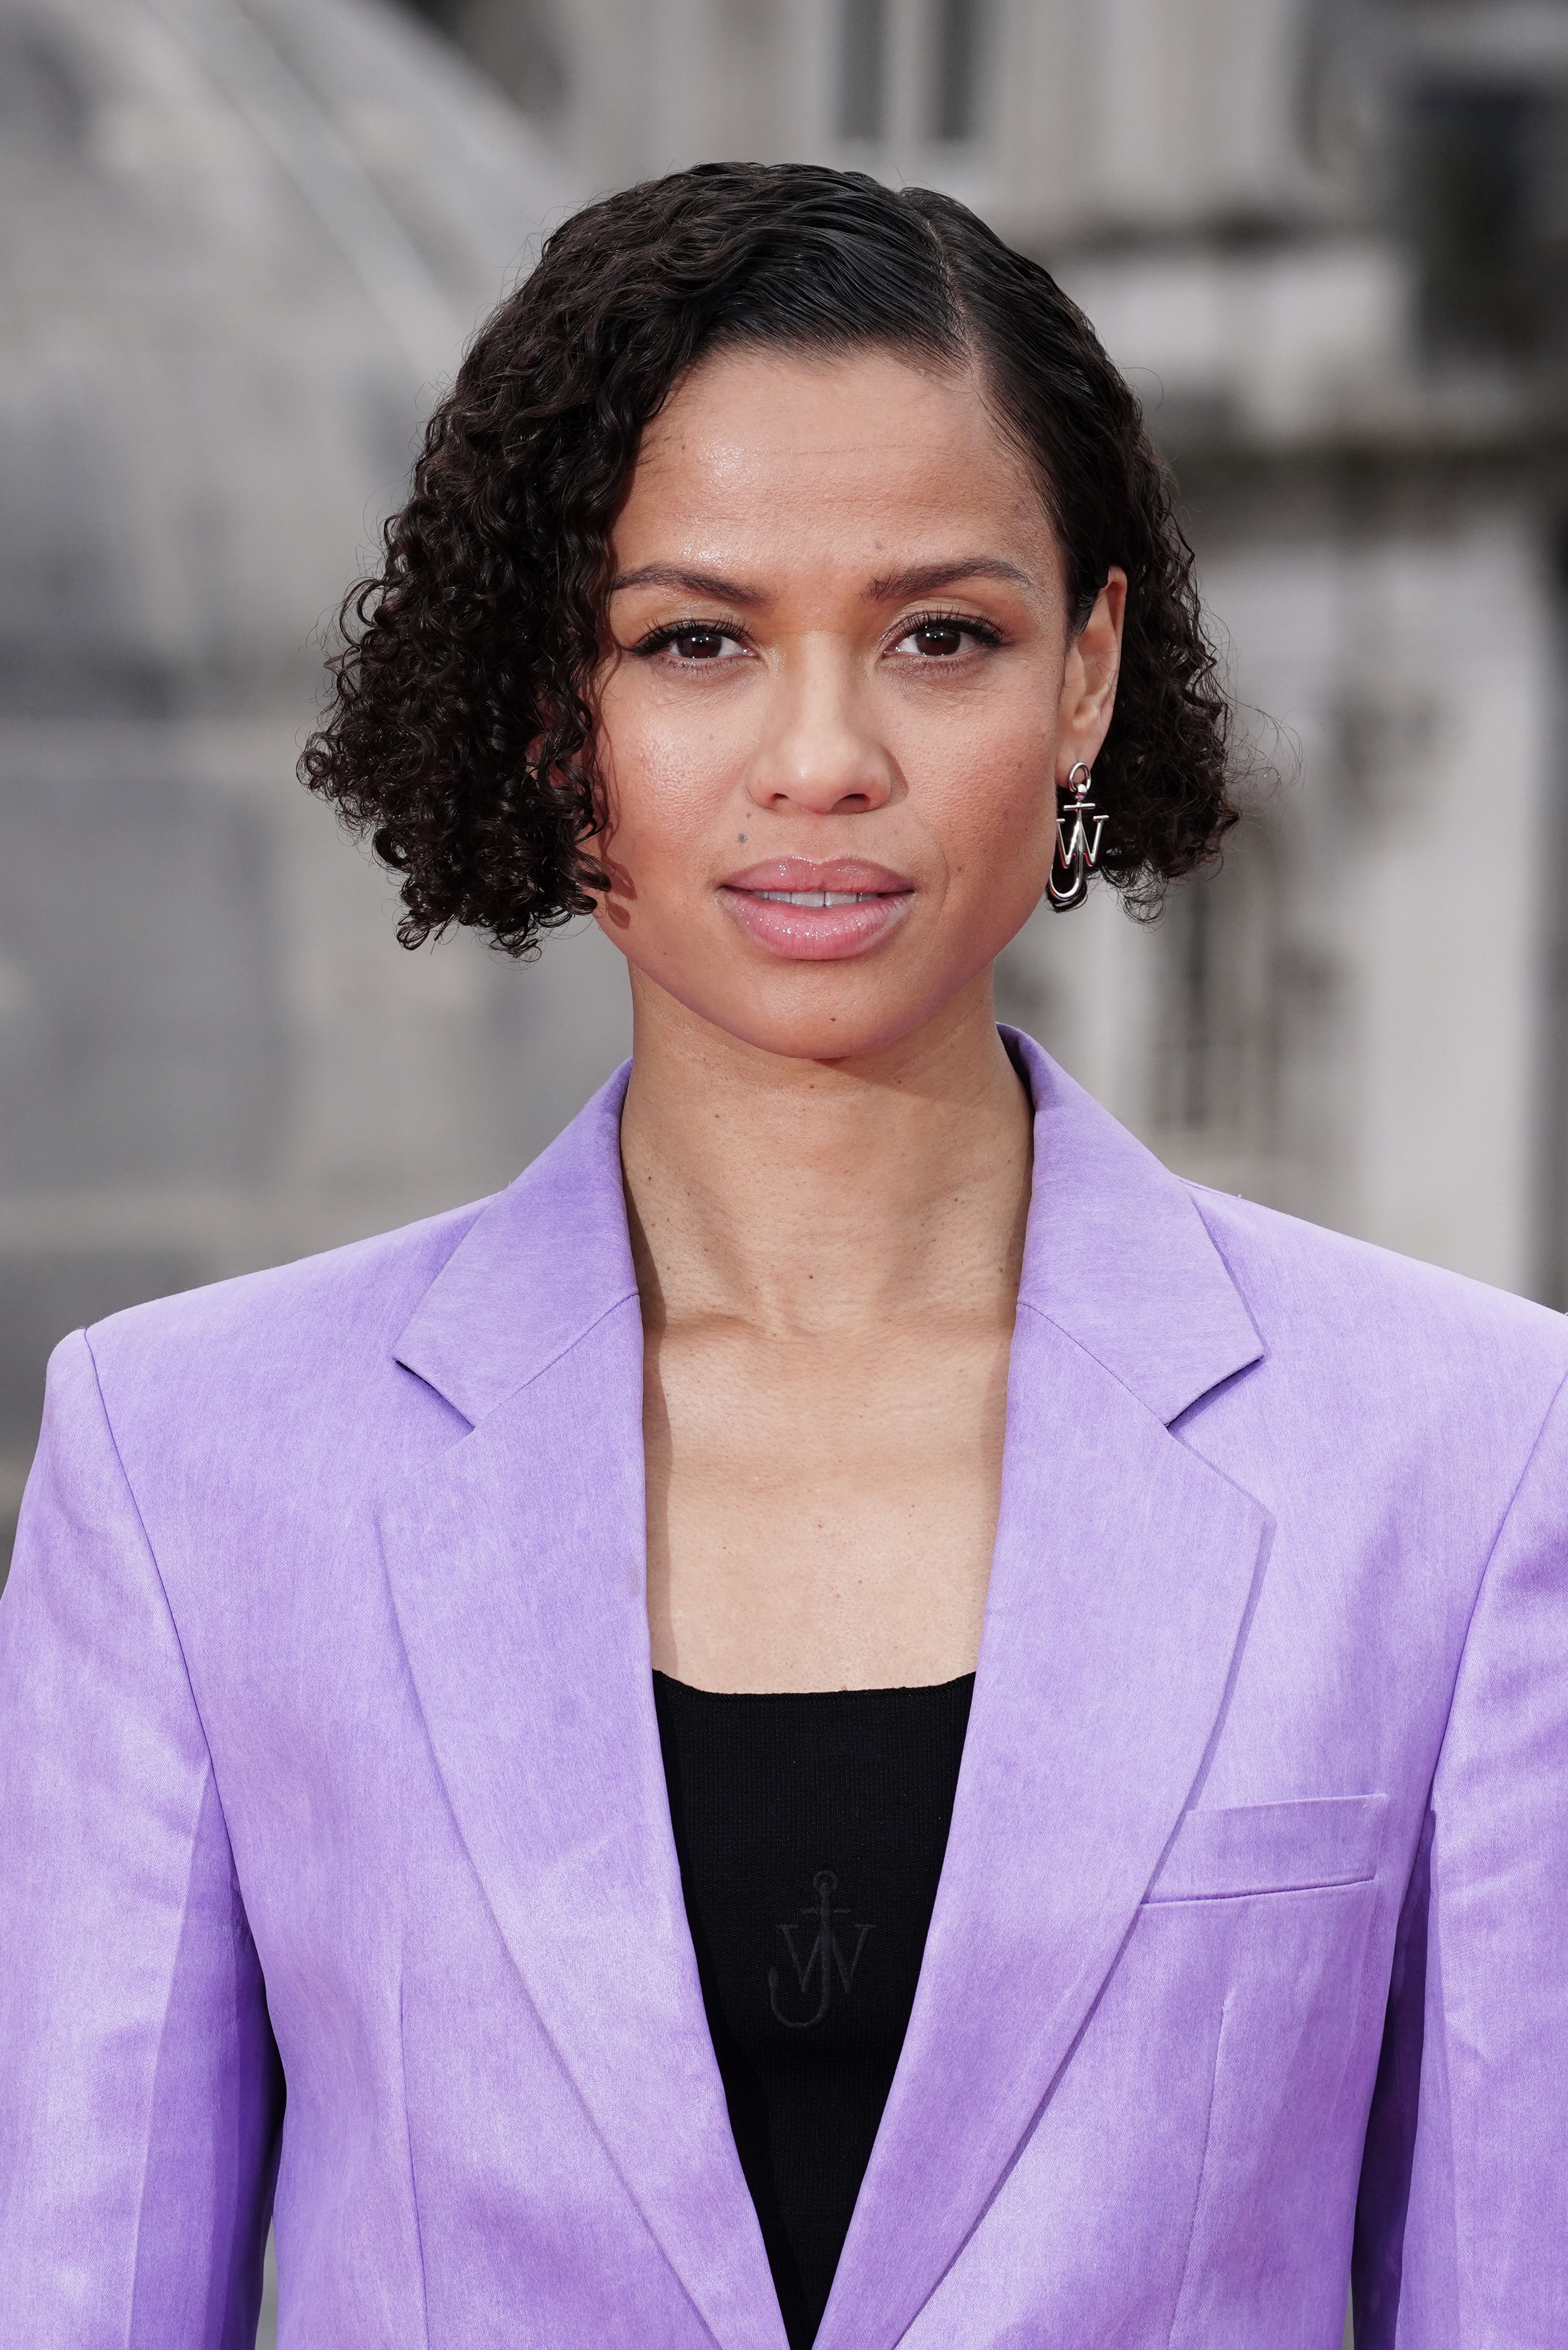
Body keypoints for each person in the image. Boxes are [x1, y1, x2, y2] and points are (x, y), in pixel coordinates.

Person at [0, 163, 1563, 2350]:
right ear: (558, 711)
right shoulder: (183, 1473)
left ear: (1089, 675)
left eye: (943, 634)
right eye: (695, 640)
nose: (824, 760)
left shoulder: (1476, 1459)